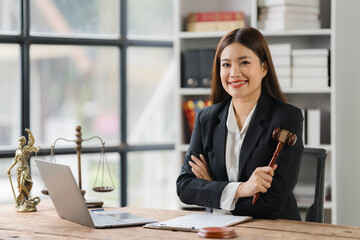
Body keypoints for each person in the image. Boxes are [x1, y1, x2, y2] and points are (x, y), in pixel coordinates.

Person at [176, 26, 304, 220]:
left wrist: (213, 187)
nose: (234, 73)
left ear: (263, 68)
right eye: (226, 65)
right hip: (220, 228)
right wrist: (242, 189)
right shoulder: (206, 118)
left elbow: (271, 202)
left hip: (272, 229)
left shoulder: (287, 117)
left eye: (244, 62)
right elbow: (185, 187)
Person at [7, 129, 40, 211]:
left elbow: (32, 142)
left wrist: (30, 133)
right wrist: (9, 168)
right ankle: (22, 201)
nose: (20, 144)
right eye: (19, 142)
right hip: (19, 170)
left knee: (22, 184)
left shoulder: (26, 150)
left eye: (21, 142)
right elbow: (15, 161)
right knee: (20, 187)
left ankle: (29, 196)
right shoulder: (17, 152)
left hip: (25, 169)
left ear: (23, 143)